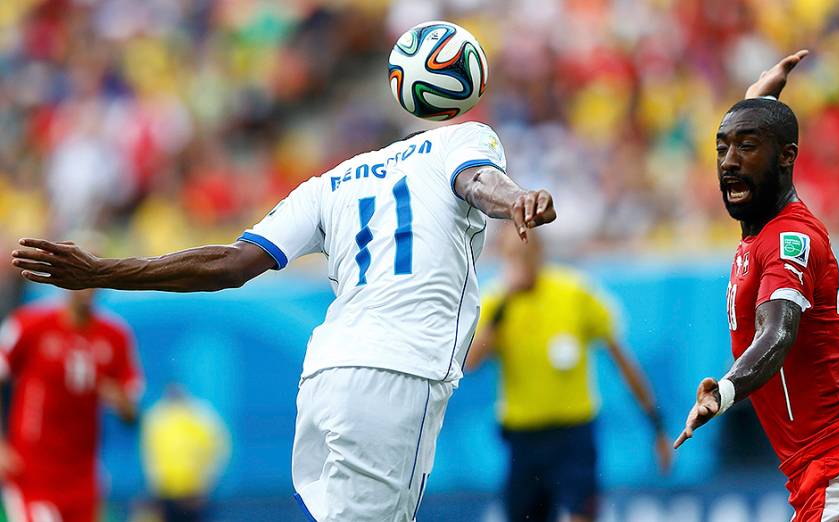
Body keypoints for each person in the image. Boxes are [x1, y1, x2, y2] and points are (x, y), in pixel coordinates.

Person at [10, 120, 556, 521]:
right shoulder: (457, 140)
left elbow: (230, 265)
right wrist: (519, 200)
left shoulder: (331, 183)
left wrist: (102, 270)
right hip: (399, 368)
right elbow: (479, 182)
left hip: (324, 378)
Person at [674, 50, 839, 520]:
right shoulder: (765, 228)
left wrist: (722, 393)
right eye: (722, 147)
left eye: (745, 146)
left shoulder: (791, 238)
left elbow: (778, 332)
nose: (728, 161)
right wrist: (756, 100)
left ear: (788, 158)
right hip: (819, 474)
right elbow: (765, 159)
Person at [466, 229, 671, 522]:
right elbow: (471, 363)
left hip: (573, 434)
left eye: (525, 254)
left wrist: (656, 424)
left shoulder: (575, 293)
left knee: (581, 514)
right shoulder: (496, 302)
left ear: (540, 253)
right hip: (523, 438)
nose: (520, 263)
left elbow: (623, 362)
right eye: (512, 256)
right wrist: (504, 308)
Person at [0, 288, 143, 522]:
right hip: (33, 470)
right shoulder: (29, 323)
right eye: (80, 280)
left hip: (81, 475)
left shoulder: (114, 336)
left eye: (92, 279)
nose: (86, 288)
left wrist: (119, 400)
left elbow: (132, 412)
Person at [141, 384, 229, 522]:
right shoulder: (156, 417)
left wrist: (206, 482)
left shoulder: (200, 416)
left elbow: (219, 448)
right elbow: (149, 454)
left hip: (194, 491)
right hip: (167, 491)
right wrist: (155, 485)